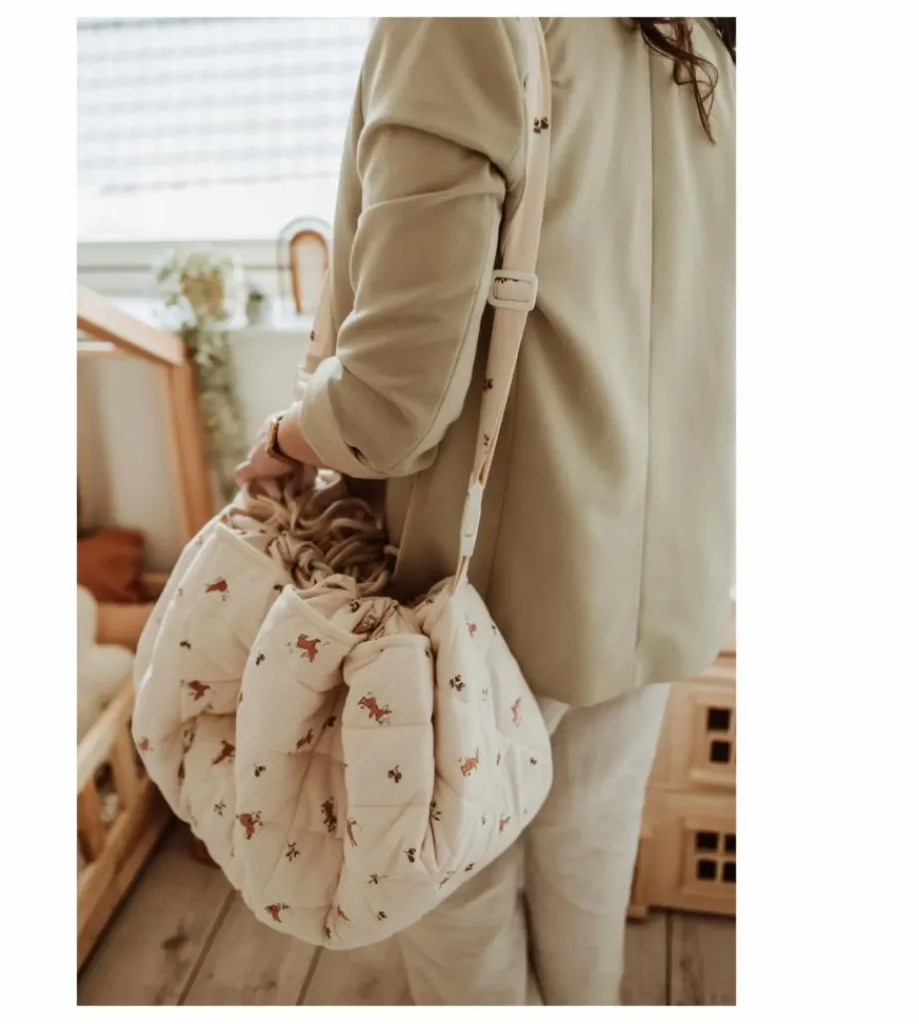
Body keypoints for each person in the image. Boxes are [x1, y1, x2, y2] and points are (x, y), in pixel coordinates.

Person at [235, 17, 735, 1006]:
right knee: (589, 852)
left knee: (451, 888)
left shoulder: (460, 23)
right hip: (658, 567)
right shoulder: (702, 42)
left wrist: (286, 437)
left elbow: (391, 404)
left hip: (489, 591)